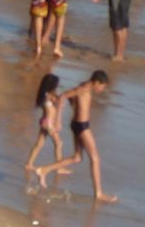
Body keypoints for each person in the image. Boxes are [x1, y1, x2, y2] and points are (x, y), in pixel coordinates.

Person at [35, 72, 117, 202]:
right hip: (82, 127)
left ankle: (44, 170)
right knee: (95, 158)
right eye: (102, 86)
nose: (102, 90)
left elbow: (71, 98)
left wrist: (75, 105)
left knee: (77, 158)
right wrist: (58, 119)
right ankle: (99, 193)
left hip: (78, 125)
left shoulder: (84, 87)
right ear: (96, 82)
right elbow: (63, 96)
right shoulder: (83, 88)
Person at [25, 74, 63, 170]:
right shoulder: (48, 96)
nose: (57, 87)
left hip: (45, 121)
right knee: (59, 143)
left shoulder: (45, 95)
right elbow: (56, 102)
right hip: (48, 123)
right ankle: (59, 167)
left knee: (39, 144)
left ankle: (29, 164)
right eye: (56, 85)